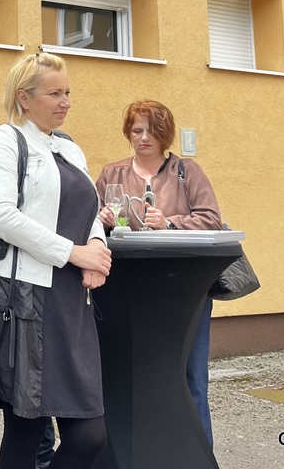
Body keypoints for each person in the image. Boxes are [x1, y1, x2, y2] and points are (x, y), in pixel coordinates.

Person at [0, 52, 112, 469]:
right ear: (24, 97)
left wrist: (94, 249)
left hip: (71, 301)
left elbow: (91, 209)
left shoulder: (69, 148)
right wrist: (73, 253)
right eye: (54, 93)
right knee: (25, 429)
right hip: (24, 298)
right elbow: (1, 216)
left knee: (89, 435)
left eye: (67, 92)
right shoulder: (5, 140)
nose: (65, 101)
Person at [95, 100, 222, 445]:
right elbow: (88, 226)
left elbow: (211, 218)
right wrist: (101, 221)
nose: (143, 137)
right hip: (128, 290)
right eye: (136, 130)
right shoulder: (112, 174)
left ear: (165, 134)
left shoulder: (186, 171)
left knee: (190, 377)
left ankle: (198, 453)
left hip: (184, 289)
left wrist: (170, 222)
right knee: (133, 376)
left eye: (151, 131)